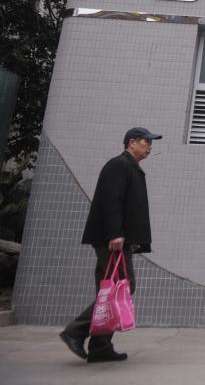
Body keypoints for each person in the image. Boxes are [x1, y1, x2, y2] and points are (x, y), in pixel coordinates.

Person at [59, 127, 160, 363]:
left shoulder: (131, 167)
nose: (150, 147)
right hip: (111, 240)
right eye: (146, 142)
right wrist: (115, 233)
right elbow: (110, 201)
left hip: (118, 240)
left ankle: (100, 347)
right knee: (124, 287)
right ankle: (75, 331)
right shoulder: (119, 165)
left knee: (109, 292)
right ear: (131, 142)